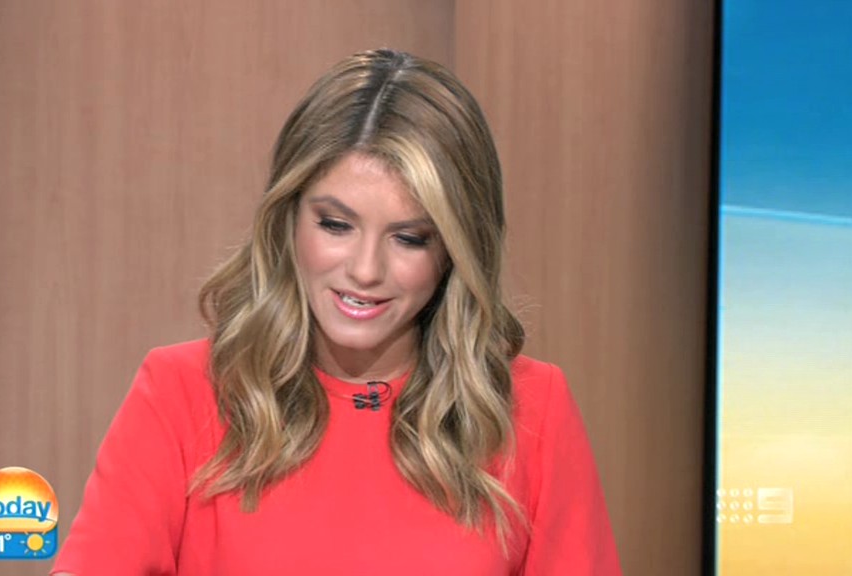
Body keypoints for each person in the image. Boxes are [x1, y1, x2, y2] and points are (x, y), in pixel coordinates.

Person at [52, 49, 621, 575]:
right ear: (288, 217)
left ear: (455, 249)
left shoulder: (532, 411)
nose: (365, 271)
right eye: (336, 225)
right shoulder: (181, 393)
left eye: (410, 238)